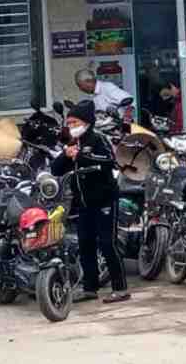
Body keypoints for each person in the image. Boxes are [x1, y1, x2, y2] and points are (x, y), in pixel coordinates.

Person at [50, 99, 129, 304]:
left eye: (75, 122)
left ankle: (120, 288)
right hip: (83, 203)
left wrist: (81, 157)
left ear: (86, 122)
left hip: (104, 200)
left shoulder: (99, 140)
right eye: (69, 123)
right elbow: (56, 169)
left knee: (107, 243)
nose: (71, 126)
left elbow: (109, 161)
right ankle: (89, 288)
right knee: (85, 244)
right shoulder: (72, 143)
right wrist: (67, 155)